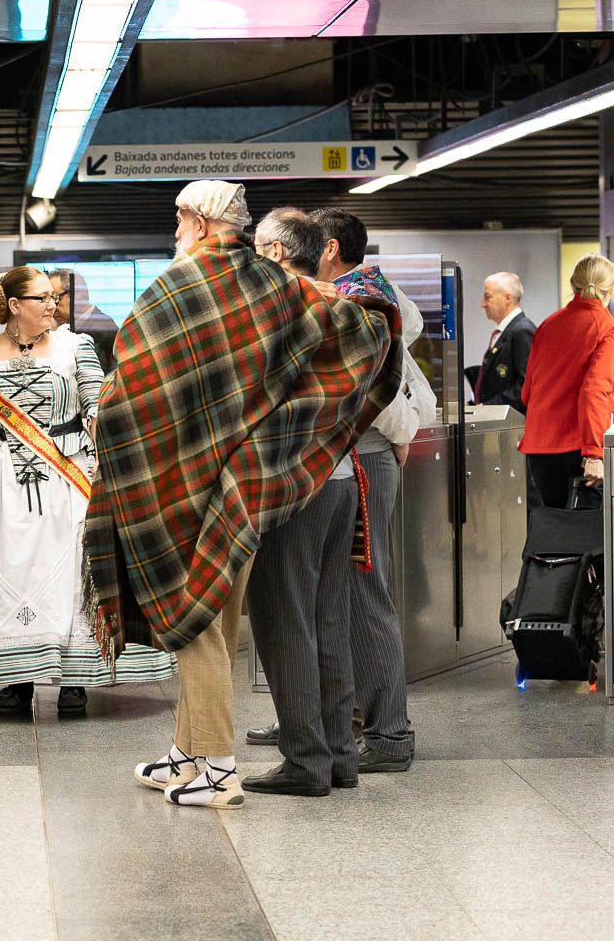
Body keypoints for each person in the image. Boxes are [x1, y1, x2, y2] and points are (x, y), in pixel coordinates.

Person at [87, 180, 400, 810]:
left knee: (195, 618)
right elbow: (359, 332)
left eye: (179, 219)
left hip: (174, 479)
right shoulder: (277, 285)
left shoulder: (177, 287)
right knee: (222, 617)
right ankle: (191, 751)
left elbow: (137, 378)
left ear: (200, 223)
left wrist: (115, 431)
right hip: (241, 483)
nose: (175, 230)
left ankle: (220, 766)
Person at [0, 267, 174, 714]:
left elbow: (97, 401)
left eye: (55, 296)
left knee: (71, 573)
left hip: (64, 475)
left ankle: (75, 677)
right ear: (14, 306)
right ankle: (14, 679)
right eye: (42, 298)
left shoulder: (76, 345)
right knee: (3, 573)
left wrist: (109, 430)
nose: (53, 304)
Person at [237, 208, 366, 796]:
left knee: (284, 620)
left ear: (278, 254)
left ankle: (305, 761)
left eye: (257, 247)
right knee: (328, 621)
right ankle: (339, 755)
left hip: (292, 485)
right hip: (341, 479)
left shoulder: (282, 311)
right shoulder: (349, 307)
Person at [520, 255, 614, 509]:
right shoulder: (611, 330)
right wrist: (594, 453)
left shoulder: (547, 325)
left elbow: (528, 392)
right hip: (584, 451)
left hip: (541, 451)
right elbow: (595, 390)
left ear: (574, 285)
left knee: (557, 532)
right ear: (612, 288)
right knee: (593, 539)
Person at [474, 272, 535, 412]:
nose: (483, 304)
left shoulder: (522, 331)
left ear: (507, 298)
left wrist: (486, 408)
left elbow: (526, 386)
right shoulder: (506, 331)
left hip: (513, 425)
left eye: (487, 297)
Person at [48, 269, 119, 368]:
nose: (51, 306)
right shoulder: (62, 327)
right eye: (48, 299)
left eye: (56, 298)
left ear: (78, 293)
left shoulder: (104, 330)